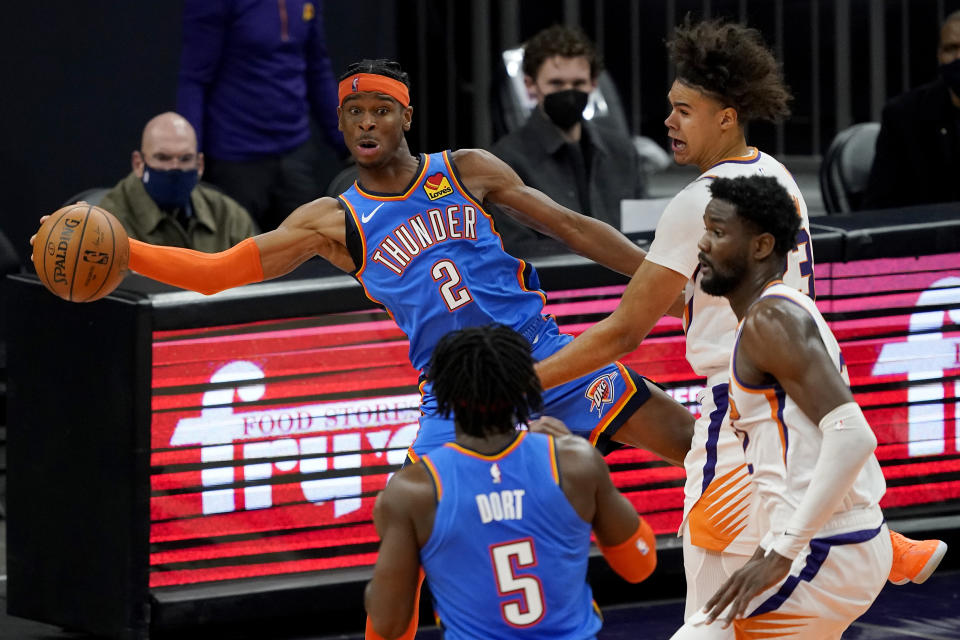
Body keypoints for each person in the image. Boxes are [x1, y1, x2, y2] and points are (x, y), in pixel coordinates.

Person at [41, 59, 694, 466]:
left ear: (405, 116)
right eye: (353, 112)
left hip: (548, 362)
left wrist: (664, 284)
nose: (366, 122)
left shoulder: (466, 170)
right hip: (454, 398)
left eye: (380, 109)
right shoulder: (334, 218)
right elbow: (219, 272)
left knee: (691, 441)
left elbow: (575, 228)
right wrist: (127, 251)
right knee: (411, 540)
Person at [533, 18, 945, 622]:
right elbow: (692, 294)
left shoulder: (701, 200)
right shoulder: (776, 177)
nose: (667, 122)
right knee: (778, 571)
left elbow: (624, 331)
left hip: (740, 413)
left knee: (710, 609)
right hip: (793, 397)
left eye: (683, 110)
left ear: (726, 114)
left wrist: (522, 383)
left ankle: (871, 540)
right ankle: (876, 538)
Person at [671, 175, 898, 638]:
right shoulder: (777, 311)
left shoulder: (770, 320)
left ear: (761, 246)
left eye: (717, 233)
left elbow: (854, 436)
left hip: (824, 548)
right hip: (834, 543)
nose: (702, 245)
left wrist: (782, 549)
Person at [364, 324, 657, 639]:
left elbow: (388, 626)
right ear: (527, 387)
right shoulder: (574, 462)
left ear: (442, 396)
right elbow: (640, 566)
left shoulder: (413, 492)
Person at [176, 0, 346, 232]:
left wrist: (347, 140)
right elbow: (194, 79)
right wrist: (188, 157)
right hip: (235, 161)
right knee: (238, 263)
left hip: (295, 155)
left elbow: (317, 68)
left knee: (307, 260)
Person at [488, 25, 645, 251]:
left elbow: (645, 234)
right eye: (556, 83)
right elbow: (516, 249)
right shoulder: (505, 161)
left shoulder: (623, 152)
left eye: (578, 83)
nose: (568, 92)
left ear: (593, 84)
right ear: (530, 85)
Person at [98, 112, 258, 252]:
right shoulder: (107, 224)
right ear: (138, 164)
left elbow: (260, 282)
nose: (175, 167)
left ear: (200, 165)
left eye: (185, 159)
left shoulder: (228, 216)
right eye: (162, 158)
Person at [863, 10, 960, 209]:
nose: (959, 57)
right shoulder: (903, 115)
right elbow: (878, 207)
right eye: (951, 48)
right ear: (939, 55)